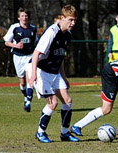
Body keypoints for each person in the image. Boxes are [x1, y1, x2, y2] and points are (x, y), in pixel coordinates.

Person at [28, 4, 79, 143]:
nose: (73, 23)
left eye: (74, 20)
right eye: (70, 20)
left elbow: (60, 57)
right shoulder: (52, 32)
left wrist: (64, 77)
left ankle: (64, 134)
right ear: (62, 18)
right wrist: (33, 75)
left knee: (68, 101)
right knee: (53, 103)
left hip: (55, 72)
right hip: (42, 71)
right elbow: (36, 54)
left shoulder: (67, 35)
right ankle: (40, 133)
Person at [3, 8, 38, 112]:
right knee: (22, 82)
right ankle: (25, 96)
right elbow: (6, 42)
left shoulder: (33, 29)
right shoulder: (14, 28)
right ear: (19, 18)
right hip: (18, 57)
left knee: (30, 79)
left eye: (26, 16)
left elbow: (37, 42)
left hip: (29, 56)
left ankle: (28, 101)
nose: (24, 18)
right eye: (22, 16)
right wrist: (16, 45)